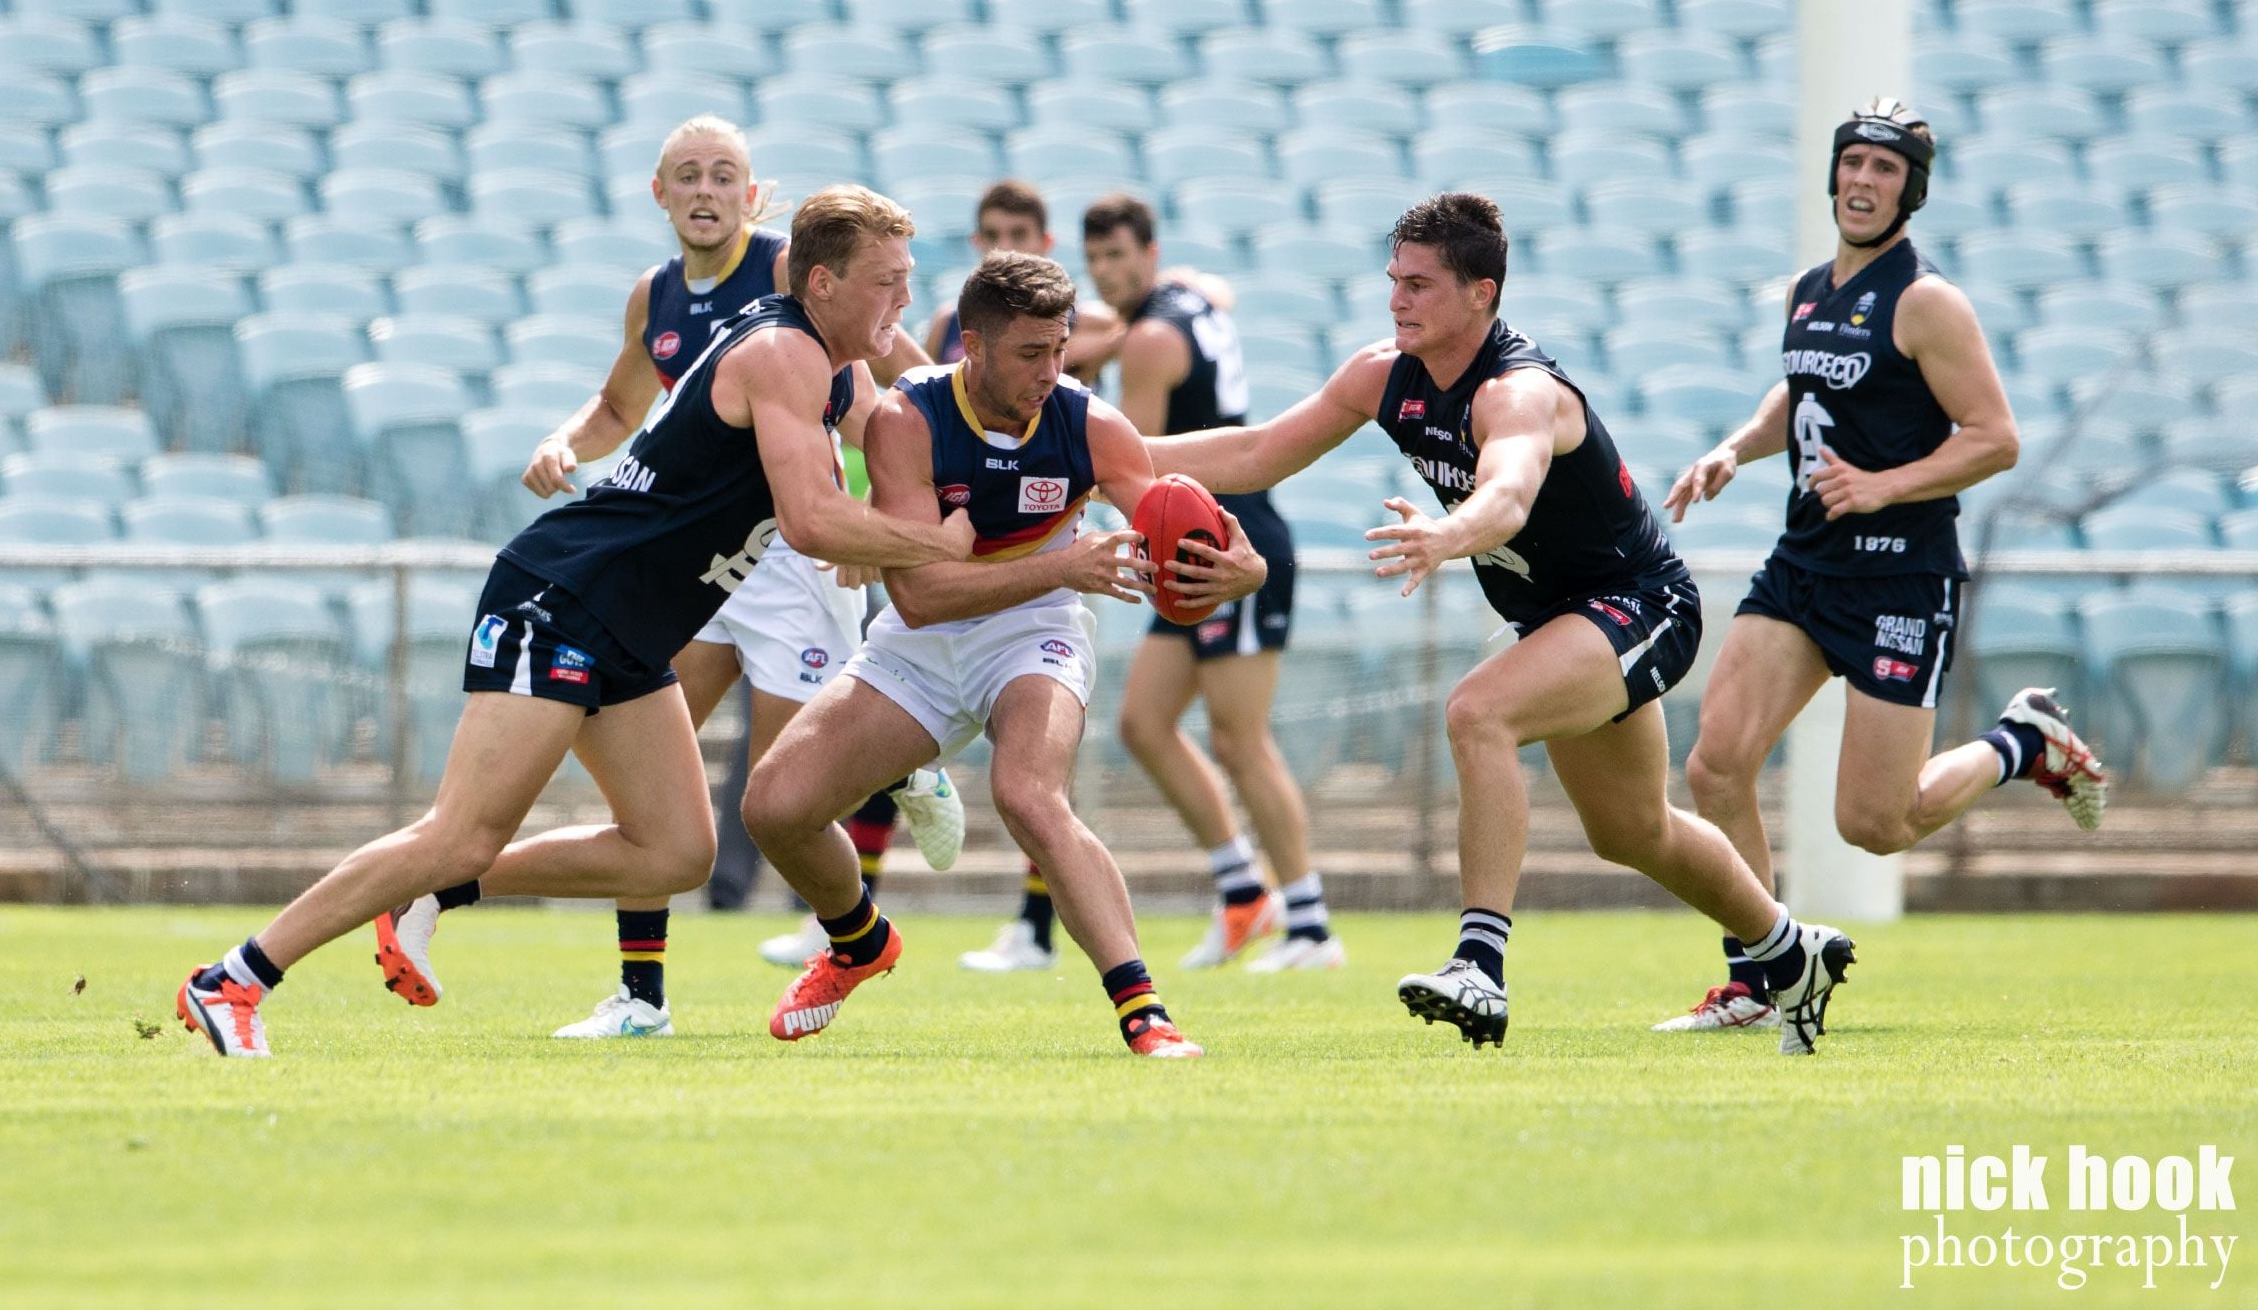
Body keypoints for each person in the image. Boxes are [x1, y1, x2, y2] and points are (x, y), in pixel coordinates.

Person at [172, 186, 975, 1057]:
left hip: (627, 627)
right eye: (888, 282)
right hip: (562, 599)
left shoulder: (824, 361)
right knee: (460, 833)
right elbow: (812, 521)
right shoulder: (786, 353)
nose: (906, 299)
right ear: (822, 283)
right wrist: (936, 545)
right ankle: (234, 979)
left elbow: (908, 419)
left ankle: (438, 893)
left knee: (675, 853)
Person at [1150, 192, 1856, 1055]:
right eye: (1393, 281)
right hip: (1560, 617)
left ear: (1481, 293)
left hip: (1642, 603)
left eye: (1418, 285)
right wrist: (1104, 460)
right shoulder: (1383, 374)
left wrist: (1445, 536)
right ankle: (1792, 952)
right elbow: (1257, 452)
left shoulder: (1520, 392)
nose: (1396, 300)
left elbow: (1508, 496)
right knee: (1632, 831)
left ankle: (1478, 965)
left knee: (1478, 711)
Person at [400, 116, 954, 1028]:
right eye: (688, 175)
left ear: (753, 195)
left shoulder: (798, 272)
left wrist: (878, 521)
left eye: (723, 174)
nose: (706, 191)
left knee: (786, 786)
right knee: (654, 790)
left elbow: (883, 397)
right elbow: (621, 406)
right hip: (695, 560)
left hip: (791, 547)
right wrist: (562, 441)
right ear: (659, 193)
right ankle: (641, 995)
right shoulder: (654, 295)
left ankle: (894, 771)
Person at [737, 250, 1270, 1058]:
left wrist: (1238, 573)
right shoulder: (908, 419)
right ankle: (857, 942)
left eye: (1059, 350)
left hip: (1034, 632)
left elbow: (1171, 532)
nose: (1051, 371)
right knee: (773, 807)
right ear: (974, 347)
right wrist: (1064, 566)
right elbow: (921, 597)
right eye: (1030, 353)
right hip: (924, 641)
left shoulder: (1090, 423)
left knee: (1028, 794)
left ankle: (1145, 1014)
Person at [1654, 99, 2109, 1033]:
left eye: (1885, 168)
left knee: (1874, 823)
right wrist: (1734, 449)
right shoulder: (1808, 288)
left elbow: (1996, 438)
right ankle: (1762, 980)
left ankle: (2024, 742)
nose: (1863, 180)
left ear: (1912, 191)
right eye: (1852, 162)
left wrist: (1881, 486)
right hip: (1805, 563)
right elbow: (1803, 385)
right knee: (1716, 765)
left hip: (1901, 578)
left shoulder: (1928, 301)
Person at [1074, 193, 1333, 974]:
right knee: (1143, 724)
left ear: (1149, 255)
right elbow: (1214, 287)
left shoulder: (1149, 341)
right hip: (1193, 544)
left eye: (1119, 256)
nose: (1107, 272)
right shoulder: (1189, 297)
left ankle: (1312, 927)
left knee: (1239, 741)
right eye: (1096, 259)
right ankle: (1244, 892)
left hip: (1226, 545)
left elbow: (1132, 461)